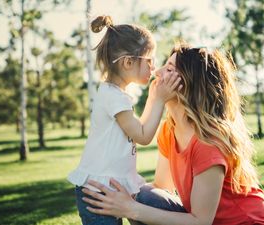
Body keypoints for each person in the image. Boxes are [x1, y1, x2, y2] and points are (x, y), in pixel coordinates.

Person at [81, 43, 264, 225]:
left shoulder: (207, 142)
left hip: (246, 222)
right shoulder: (169, 130)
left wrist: (131, 209)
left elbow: (201, 221)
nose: (156, 73)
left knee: (141, 201)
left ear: (190, 83)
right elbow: (160, 187)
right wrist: (122, 196)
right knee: (144, 194)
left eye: (169, 69)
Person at [67, 15, 181, 225]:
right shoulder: (114, 97)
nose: (154, 68)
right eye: (150, 61)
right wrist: (159, 100)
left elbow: (140, 128)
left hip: (111, 187)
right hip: (98, 192)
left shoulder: (116, 94)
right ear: (128, 62)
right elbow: (144, 136)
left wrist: (155, 99)